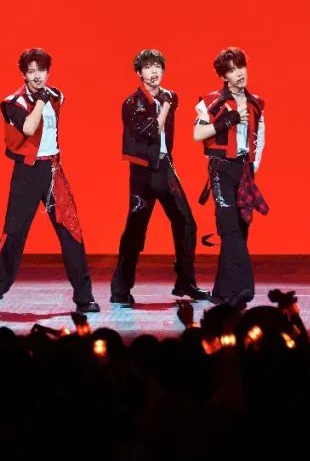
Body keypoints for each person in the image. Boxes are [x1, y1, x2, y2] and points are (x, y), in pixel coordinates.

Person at [0, 48, 98, 315]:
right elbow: (28, 128)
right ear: (23, 74)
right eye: (31, 71)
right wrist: (41, 102)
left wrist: (46, 99)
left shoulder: (57, 95)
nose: (37, 76)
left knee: (71, 232)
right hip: (27, 173)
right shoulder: (12, 103)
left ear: (48, 72)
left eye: (41, 70)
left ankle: (84, 297)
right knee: (13, 235)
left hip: (53, 170)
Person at [110, 49, 210, 306]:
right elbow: (153, 130)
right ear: (139, 72)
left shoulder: (169, 96)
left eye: (157, 66)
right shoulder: (132, 103)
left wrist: (168, 102)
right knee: (135, 231)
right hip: (143, 172)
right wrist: (165, 105)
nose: (154, 71)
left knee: (186, 223)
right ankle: (120, 290)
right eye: (148, 67)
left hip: (165, 167)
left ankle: (186, 282)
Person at [193, 46, 268, 309]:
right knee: (229, 228)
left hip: (244, 170)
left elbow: (260, 135)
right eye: (232, 70)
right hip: (221, 170)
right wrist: (229, 120)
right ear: (224, 76)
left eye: (241, 67)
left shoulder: (256, 102)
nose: (239, 73)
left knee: (241, 229)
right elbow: (198, 135)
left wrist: (254, 165)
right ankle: (245, 286)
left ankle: (223, 293)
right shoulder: (211, 101)